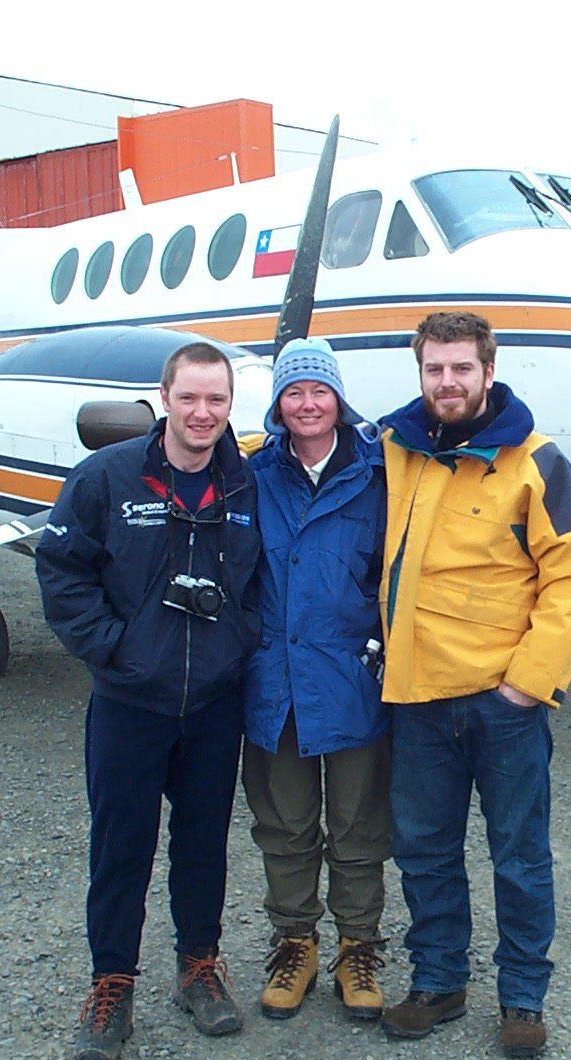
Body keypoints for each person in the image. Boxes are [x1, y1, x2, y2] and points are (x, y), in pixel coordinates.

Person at [375, 311, 571, 1059]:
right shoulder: (393, 450)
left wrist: (528, 685)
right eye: (434, 369)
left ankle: (523, 999)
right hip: (416, 699)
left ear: (487, 372)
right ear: (420, 372)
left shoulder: (536, 463)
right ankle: (439, 982)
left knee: (520, 856)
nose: (447, 382)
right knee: (424, 851)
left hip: (502, 705)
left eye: (461, 369)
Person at [36, 341, 262, 1060]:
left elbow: (260, 583)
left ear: (231, 406)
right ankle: (112, 983)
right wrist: (111, 647)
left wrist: (238, 642)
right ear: (164, 397)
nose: (203, 413)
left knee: (202, 844)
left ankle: (199, 965)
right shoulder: (106, 478)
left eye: (217, 400)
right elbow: (62, 568)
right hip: (130, 701)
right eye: (190, 398)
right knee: (121, 845)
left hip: (213, 704)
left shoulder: (245, 488)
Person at [241, 337, 391, 1023]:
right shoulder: (251, 474)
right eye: (294, 392)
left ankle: (357, 946)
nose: (307, 404)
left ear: (338, 399)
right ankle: (295, 941)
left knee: (358, 823)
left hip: (351, 677)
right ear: (278, 403)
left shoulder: (378, 474)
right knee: (285, 822)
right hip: (274, 681)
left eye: (318, 391)